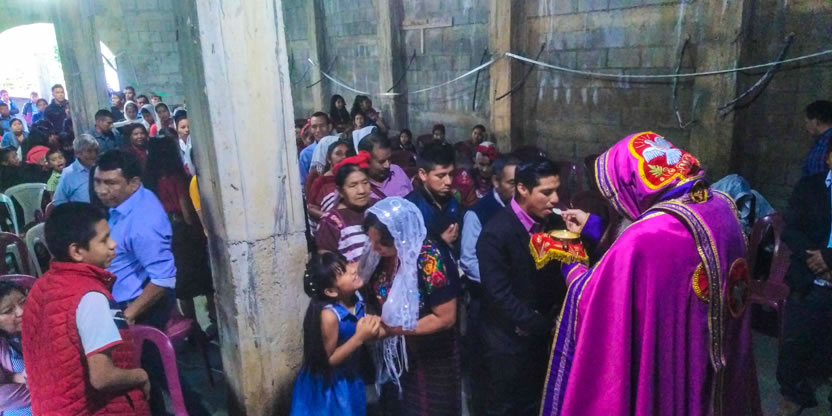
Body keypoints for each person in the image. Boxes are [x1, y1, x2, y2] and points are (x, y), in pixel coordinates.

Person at [539, 132, 755, 416]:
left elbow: (595, 298)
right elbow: (662, 261)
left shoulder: (647, 236)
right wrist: (593, 225)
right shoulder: (718, 206)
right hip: (710, 352)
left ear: (634, 187)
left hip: (668, 359)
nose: (618, 207)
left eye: (616, 198)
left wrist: (570, 259)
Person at [93, 150, 208, 415]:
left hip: (142, 303)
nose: (101, 190)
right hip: (129, 298)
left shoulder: (142, 222)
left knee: (161, 372)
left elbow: (163, 278)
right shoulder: (130, 202)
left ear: (133, 183)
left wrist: (130, 314)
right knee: (144, 374)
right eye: (98, 181)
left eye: (110, 183)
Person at [22, 202, 151, 415]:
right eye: (104, 240)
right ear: (77, 251)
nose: (113, 244)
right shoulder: (90, 297)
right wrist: (140, 375)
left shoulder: (40, 288)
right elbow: (102, 377)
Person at [475, 157, 565, 416]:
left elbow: (560, 275)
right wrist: (536, 323)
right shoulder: (496, 232)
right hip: (507, 344)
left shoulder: (554, 224)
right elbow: (498, 294)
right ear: (523, 189)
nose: (555, 199)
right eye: (546, 192)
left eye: (557, 190)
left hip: (541, 339)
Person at [361, 197, 461, 415]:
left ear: (400, 237)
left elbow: (445, 318)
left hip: (431, 354)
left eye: (381, 243)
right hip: (396, 353)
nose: (374, 248)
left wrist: (392, 329)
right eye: (371, 241)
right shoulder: (379, 255)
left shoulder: (430, 259)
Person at [775, 137, 832, 415]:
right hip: (810, 277)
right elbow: (791, 230)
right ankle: (794, 393)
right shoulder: (809, 187)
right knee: (797, 341)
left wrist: (829, 258)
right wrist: (817, 260)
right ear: (829, 157)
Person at [459, 154, 519, 415]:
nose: (518, 190)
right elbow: (469, 260)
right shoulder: (479, 213)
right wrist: (500, 285)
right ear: (495, 182)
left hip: (515, 303)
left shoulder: (525, 209)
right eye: (512, 183)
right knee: (487, 369)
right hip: (487, 303)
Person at [289, 253, 381, 416]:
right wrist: (359, 338)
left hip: (351, 377)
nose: (353, 270)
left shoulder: (356, 300)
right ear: (331, 291)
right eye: (343, 272)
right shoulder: (330, 316)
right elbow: (329, 360)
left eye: (347, 264)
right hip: (330, 386)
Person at [144, 136, 216, 332]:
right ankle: (213, 319)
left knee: (182, 285)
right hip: (185, 233)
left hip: (166, 232)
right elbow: (186, 213)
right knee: (204, 278)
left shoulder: (152, 181)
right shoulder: (176, 179)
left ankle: (191, 327)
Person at [406, 141, 461, 250]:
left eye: (451, 174)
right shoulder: (410, 209)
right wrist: (440, 243)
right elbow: (406, 251)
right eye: (441, 175)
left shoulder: (453, 202)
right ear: (423, 174)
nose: (449, 181)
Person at [316, 162, 372, 262]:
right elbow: (325, 256)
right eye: (353, 185)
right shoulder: (331, 221)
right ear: (341, 191)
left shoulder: (379, 209)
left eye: (365, 183)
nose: (362, 191)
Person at [0, 281, 32, 415]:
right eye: (8, 311)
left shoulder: (47, 327)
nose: (21, 312)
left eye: (23, 301)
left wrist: (13, 378)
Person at [307, 138, 351, 222]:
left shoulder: (353, 176)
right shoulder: (321, 181)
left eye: (347, 154)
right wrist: (330, 217)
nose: (344, 157)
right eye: (338, 154)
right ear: (329, 159)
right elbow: (311, 208)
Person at [358, 133, 413, 199]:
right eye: (381, 162)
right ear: (366, 161)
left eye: (389, 159)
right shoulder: (359, 187)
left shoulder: (396, 170)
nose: (387, 165)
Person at [53, 134, 99, 205]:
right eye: (89, 151)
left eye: (96, 150)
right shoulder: (68, 174)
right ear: (77, 153)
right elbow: (58, 201)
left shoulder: (101, 168)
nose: (94, 155)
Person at [454, 141, 498, 208]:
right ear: (476, 162)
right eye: (481, 164)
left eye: (489, 165)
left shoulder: (500, 180)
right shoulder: (467, 178)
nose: (485, 169)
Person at [299, 112, 334, 187]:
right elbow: (303, 183)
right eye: (314, 127)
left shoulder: (338, 147)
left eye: (322, 126)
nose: (318, 130)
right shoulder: (306, 154)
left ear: (329, 127)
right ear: (310, 129)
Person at [802, 100, 832, 177]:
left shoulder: (823, 144)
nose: (806, 127)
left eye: (807, 122)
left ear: (815, 122)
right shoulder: (820, 142)